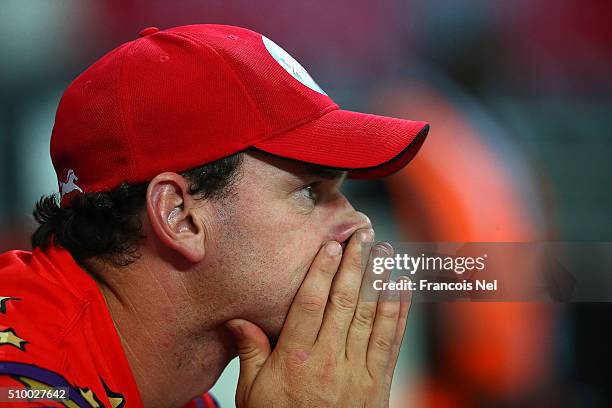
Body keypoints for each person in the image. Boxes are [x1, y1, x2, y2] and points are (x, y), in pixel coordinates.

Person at [0, 24, 429, 407]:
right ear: (180, 216)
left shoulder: (170, 390)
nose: (359, 224)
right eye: (310, 193)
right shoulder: (22, 384)